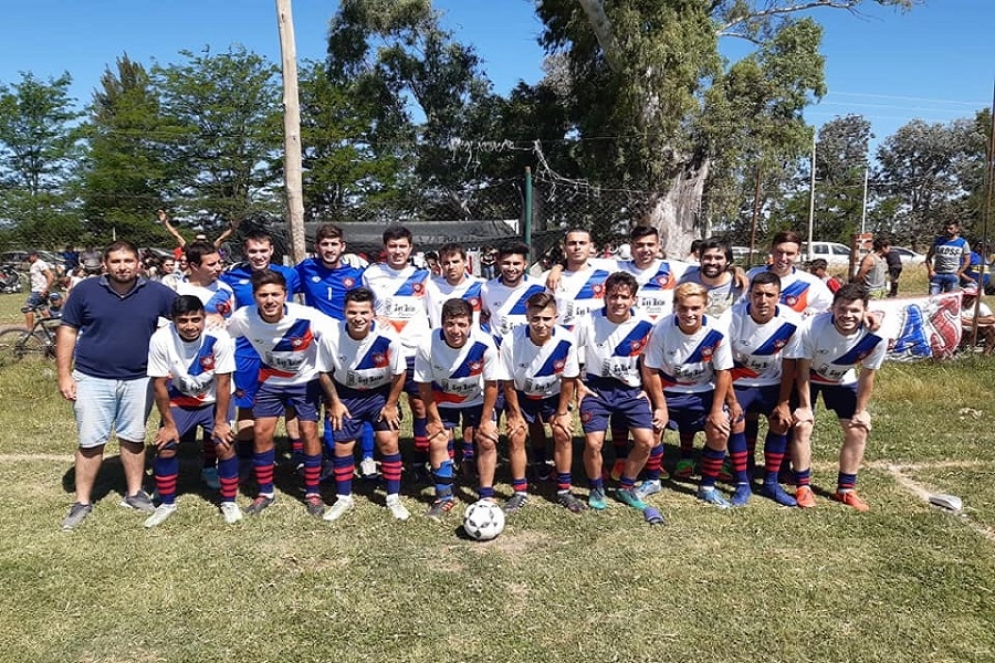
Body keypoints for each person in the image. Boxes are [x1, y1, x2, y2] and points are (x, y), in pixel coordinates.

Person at [57, 241, 178, 530]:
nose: (122, 266)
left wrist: (212, 317)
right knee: (90, 441)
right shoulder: (85, 291)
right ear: (105, 264)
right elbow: (68, 330)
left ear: (139, 263)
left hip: (140, 378)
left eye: (128, 261)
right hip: (92, 377)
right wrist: (64, 374)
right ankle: (82, 501)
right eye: (116, 261)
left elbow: (186, 314)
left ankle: (135, 492)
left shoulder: (156, 292)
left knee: (134, 437)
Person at [226, 269, 337, 517]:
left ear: (285, 295)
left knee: (308, 431)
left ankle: (312, 491)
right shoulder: (243, 317)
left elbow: (337, 332)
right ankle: (265, 491)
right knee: (261, 431)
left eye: (275, 294)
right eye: (263, 294)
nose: (269, 300)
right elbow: (222, 335)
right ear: (254, 296)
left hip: (305, 381)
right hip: (270, 381)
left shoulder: (306, 316)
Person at [787, 283, 887, 511]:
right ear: (832, 308)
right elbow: (801, 369)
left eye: (854, 310)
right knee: (802, 426)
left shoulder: (877, 335)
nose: (847, 315)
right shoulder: (812, 327)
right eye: (842, 309)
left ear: (865, 311)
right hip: (809, 378)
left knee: (858, 429)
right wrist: (804, 406)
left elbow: (867, 375)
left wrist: (861, 411)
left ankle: (846, 489)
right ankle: (803, 487)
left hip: (843, 380)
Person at [574, 272, 662, 523]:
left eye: (624, 297)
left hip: (631, 391)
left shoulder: (645, 324)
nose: (618, 302)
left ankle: (626, 486)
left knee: (647, 442)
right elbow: (568, 352)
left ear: (634, 299)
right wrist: (579, 385)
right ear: (604, 296)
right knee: (593, 444)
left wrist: (646, 388)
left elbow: (650, 361)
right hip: (597, 389)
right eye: (613, 296)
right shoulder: (588, 321)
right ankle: (596, 486)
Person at [318, 287, 410, 522]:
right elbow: (324, 372)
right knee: (342, 447)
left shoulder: (388, 338)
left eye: (364, 312)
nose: (358, 318)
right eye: (352, 312)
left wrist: (391, 405)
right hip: (347, 395)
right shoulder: (330, 337)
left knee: (389, 442)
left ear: (373, 314)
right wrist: (335, 403)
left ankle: (392, 498)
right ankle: (343, 498)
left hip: (380, 394)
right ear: (344, 312)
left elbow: (400, 373)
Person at [640, 282, 735, 508]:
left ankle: (708, 487)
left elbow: (724, 372)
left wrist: (717, 410)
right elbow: (650, 369)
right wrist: (661, 407)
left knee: (720, 431)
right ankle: (653, 479)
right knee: (653, 430)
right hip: (668, 390)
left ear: (705, 306)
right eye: (683, 308)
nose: (689, 314)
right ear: (675, 307)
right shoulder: (661, 329)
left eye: (695, 308)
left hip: (702, 391)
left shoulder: (717, 331)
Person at [144, 295, 237, 527]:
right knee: (165, 446)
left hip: (214, 399)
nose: (190, 326)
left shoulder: (219, 338)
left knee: (224, 444)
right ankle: (166, 503)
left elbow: (224, 382)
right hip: (180, 399)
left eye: (196, 319)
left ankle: (229, 501)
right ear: (173, 321)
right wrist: (168, 424)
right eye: (183, 320)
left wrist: (221, 422)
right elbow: (158, 385)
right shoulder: (160, 339)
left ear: (204, 318)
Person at [295, 224, 377, 479]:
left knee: (360, 397)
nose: (329, 249)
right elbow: (276, 286)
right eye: (324, 244)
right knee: (331, 403)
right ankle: (333, 459)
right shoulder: (305, 270)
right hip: (319, 347)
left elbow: (371, 303)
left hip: (351, 343)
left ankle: (367, 457)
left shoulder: (356, 274)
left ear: (342, 247)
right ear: (317, 247)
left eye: (334, 244)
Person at [220, 230, 303, 471]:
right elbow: (220, 302)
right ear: (245, 252)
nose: (258, 256)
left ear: (271, 251)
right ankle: (246, 458)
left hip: (284, 349)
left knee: (292, 404)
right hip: (247, 352)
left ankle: (297, 455)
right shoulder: (233, 277)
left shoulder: (289, 274)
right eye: (253, 251)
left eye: (263, 251)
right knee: (247, 405)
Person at [415, 298, 502, 520]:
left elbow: (492, 384)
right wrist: (433, 419)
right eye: (450, 324)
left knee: (487, 439)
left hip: (476, 398)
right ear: (442, 323)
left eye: (462, 324)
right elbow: (423, 385)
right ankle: (444, 497)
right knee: (437, 439)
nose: (456, 330)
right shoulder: (427, 343)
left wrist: (486, 421)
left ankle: (485, 495)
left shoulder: (484, 343)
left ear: (470, 324)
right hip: (442, 399)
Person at [499, 292, 585, 513]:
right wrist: (515, 414)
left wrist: (563, 411)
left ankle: (564, 490)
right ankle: (519, 491)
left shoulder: (566, 339)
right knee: (516, 434)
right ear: (527, 317)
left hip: (553, 395)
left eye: (546, 318)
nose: (540, 324)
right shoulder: (511, 340)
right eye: (535, 318)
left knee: (562, 432)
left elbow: (568, 379)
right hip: (522, 394)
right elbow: (507, 382)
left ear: (555, 317)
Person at [723, 272, 802, 506]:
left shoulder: (792, 321)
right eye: (758, 294)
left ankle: (771, 482)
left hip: (772, 384)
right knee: (736, 419)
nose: (763, 300)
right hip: (739, 383)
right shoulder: (731, 318)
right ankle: (742, 482)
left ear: (779, 297)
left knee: (780, 421)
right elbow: (723, 365)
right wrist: (732, 401)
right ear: (749, 295)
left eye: (769, 294)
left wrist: (784, 402)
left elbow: (790, 365)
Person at [363, 227, 434, 478]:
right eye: (392, 246)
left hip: (415, 350)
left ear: (410, 248)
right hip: (384, 353)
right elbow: (363, 306)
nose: (397, 251)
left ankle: (419, 460)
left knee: (420, 407)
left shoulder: (424, 277)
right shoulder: (371, 274)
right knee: (380, 407)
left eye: (402, 246)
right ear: (385, 248)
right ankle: (375, 458)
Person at [679, 239, 745, 317]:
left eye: (718, 258)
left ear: (728, 261)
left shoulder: (741, 286)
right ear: (700, 259)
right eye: (707, 257)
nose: (712, 262)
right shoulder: (685, 281)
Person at [926, 221, 970, 295]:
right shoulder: (938, 241)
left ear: (956, 229)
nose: (948, 230)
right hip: (937, 274)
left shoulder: (962, 243)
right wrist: (930, 271)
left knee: (950, 300)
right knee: (932, 299)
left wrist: (959, 273)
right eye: (946, 228)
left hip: (952, 275)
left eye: (951, 228)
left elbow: (967, 260)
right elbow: (928, 257)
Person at [960, 282, 995, 354]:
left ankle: (986, 353)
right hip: (961, 332)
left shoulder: (980, 306)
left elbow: (991, 319)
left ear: (975, 297)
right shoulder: (957, 306)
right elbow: (959, 321)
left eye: (971, 297)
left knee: (991, 329)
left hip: (977, 331)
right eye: (966, 296)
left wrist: (972, 320)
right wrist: (976, 323)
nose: (968, 299)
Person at [24, 249, 55, 330]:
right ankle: (52, 331)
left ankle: (29, 331)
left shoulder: (40, 264)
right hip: (39, 291)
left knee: (27, 308)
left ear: (35, 256)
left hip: (39, 291)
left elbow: (51, 276)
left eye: (29, 257)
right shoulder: (35, 264)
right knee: (43, 309)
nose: (28, 260)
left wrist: (45, 290)